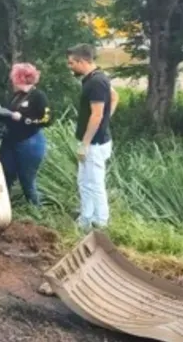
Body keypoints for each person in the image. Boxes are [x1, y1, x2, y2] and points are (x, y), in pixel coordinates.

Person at [66, 44, 120, 230]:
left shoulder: (96, 82)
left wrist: (85, 144)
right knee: (84, 182)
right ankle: (86, 219)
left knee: (95, 183)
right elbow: (115, 97)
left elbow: (96, 115)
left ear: (82, 61)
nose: (70, 66)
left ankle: (101, 222)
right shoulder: (93, 78)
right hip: (92, 141)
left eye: (71, 63)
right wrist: (107, 118)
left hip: (95, 144)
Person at [0, 62, 51, 207]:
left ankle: (36, 211)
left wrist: (24, 119)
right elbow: (9, 113)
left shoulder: (38, 96)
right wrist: (1, 113)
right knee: (5, 175)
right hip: (10, 141)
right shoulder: (16, 96)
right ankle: (3, 207)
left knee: (27, 181)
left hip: (29, 142)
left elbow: (46, 120)